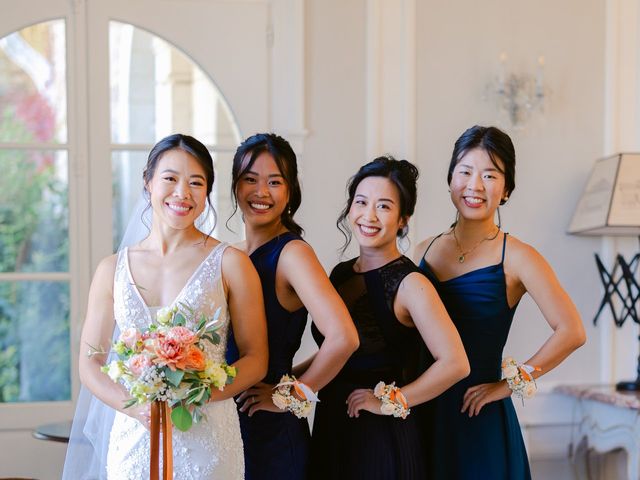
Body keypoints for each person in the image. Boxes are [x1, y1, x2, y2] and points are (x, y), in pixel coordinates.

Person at [65, 134, 268, 479]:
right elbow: (91, 362)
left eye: (196, 183)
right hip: (134, 439)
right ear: (148, 182)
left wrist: (202, 395)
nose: (182, 193)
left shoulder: (231, 264)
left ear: (207, 193)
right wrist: (136, 408)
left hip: (208, 438)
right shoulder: (111, 269)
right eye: (170, 179)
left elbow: (255, 359)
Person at [415, 125, 586, 479]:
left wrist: (508, 385)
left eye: (489, 175)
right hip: (423, 412)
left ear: (506, 189)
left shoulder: (519, 257)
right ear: (450, 179)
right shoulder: (423, 250)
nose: (474, 185)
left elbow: (572, 331)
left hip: (478, 415)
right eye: (465, 171)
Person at [308, 156, 470, 479]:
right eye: (361, 202)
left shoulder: (410, 284)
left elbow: (456, 363)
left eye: (383, 206)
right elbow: (339, 351)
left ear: (402, 219)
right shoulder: (341, 274)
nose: (368, 215)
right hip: (332, 425)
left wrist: (389, 401)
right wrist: (285, 381)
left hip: (381, 436)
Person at [225, 133, 359, 479]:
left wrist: (289, 395)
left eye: (274, 182)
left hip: (271, 431)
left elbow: (344, 337)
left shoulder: (293, 254)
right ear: (235, 186)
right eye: (250, 180)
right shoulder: (232, 254)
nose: (261, 192)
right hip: (226, 423)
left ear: (290, 191)